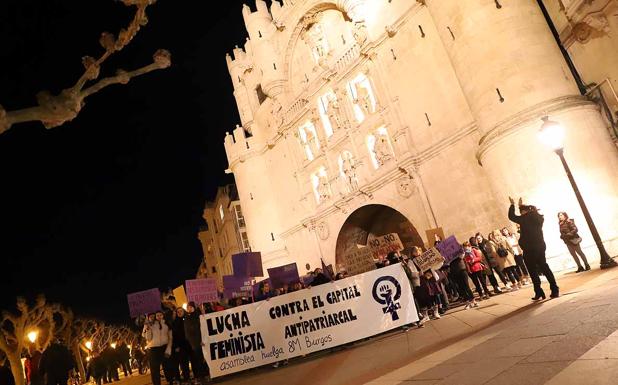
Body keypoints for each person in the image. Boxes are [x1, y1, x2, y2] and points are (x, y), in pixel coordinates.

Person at [508, 197, 559, 300]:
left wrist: (513, 205)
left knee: (532, 271)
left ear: (524, 212)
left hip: (529, 249)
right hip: (540, 247)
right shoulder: (538, 218)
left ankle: (539, 292)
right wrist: (521, 206)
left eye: (521, 212)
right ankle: (554, 289)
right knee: (545, 267)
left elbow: (512, 216)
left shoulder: (525, 218)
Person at [142, 311, 173, 385]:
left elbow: (170, 338)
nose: (159, 317)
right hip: (153, 349)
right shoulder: (151, 325)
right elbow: (148, 338)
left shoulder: (167, 324)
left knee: (168, 366)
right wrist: (147, 328)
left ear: (163, 316)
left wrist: (168, 349)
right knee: (155, 368)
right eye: (157, 315)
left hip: (164, 347)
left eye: (160, 315)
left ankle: (170, 380)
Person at [184, 302, 206, 381]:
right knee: (199, 359)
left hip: (204, 341)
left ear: (194, 307)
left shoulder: (198, 315)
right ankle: (201, 376)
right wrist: (198, 342)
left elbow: (203, 327)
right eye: (188, 307)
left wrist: (203, 312)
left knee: (205, 358)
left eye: (190, 307)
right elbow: (189, 332)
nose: (189, 309)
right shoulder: (187, 318)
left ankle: (206, 374)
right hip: (196, 343)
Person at [170, 308, 191, 382]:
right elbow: (174, 336)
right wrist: (176, 346)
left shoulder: (188, 318)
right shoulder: (175, 322)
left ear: (183, 311)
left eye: (180, 311)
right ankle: (186, 378)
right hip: (181, 346)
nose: (179, 313)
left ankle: (197, 376)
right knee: (184, 363)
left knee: (194, 361)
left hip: (190, 344)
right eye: (177, 312)